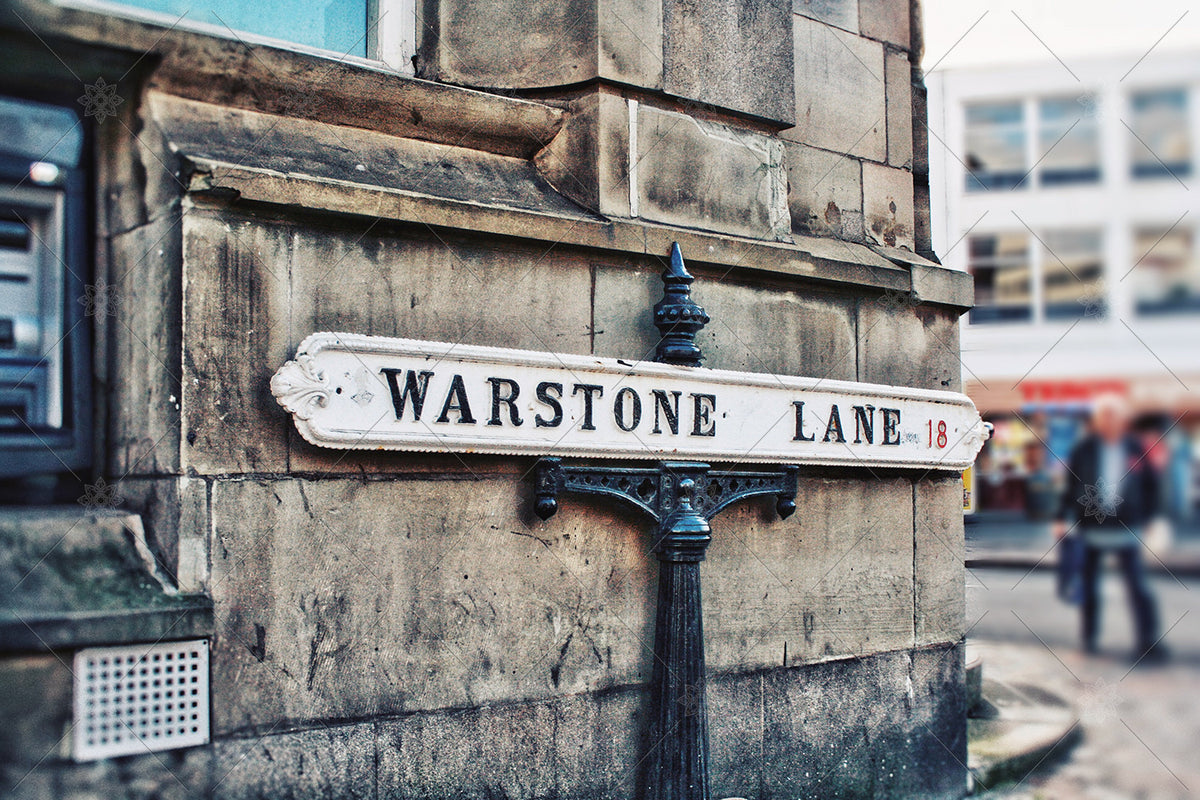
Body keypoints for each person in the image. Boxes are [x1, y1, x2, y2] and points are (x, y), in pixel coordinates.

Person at [1053, 393, 1168, 664]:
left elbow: (1152, 486)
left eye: (1114, 416)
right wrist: (1061, 517)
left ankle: (1148, 642)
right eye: (1103, 416)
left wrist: (1154, 519)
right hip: (1092, 529)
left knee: (1138, 587)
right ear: (1097, 421)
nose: (1108, 421)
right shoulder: (1085, 449)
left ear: (1123, 420)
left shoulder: (1135, 447)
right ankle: (1089, 638)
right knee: (1090, 587)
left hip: (1128, 528)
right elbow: (1070, 486)